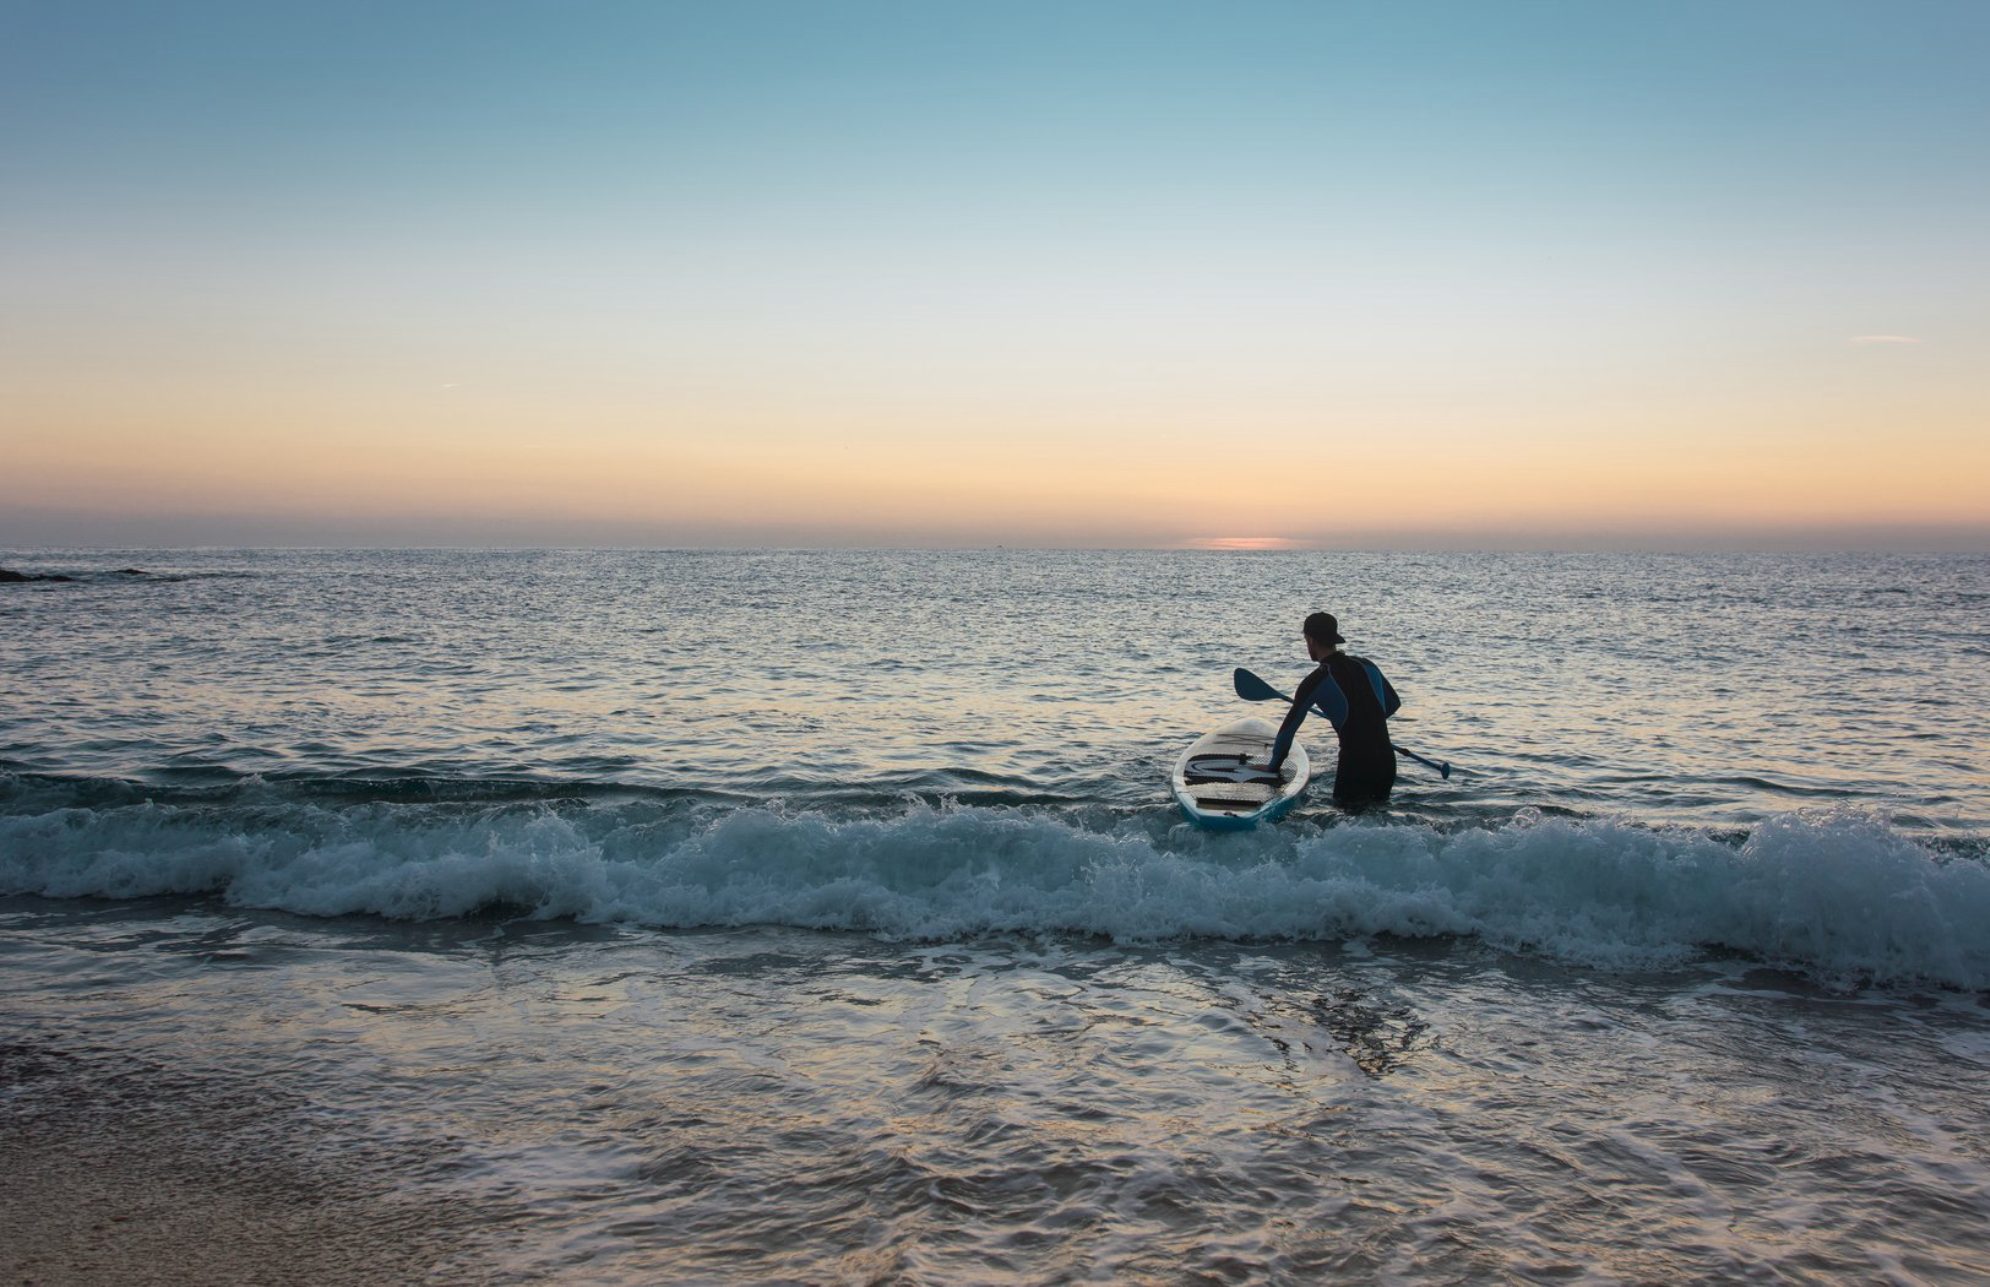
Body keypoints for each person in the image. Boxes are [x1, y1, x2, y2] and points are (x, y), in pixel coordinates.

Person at [1265, 611, 1400, 805]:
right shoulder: (1368, 665)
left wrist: (1272, 768)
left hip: (1354, 763)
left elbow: (1288, 731)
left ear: (1310, 640)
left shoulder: (1316, 680)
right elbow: (1393, 704)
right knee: (1378, 820)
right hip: (1386, 760)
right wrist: (1365, 724)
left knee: (1349, 823)